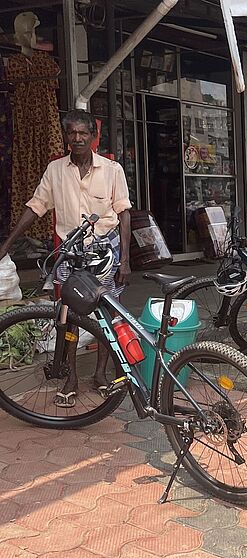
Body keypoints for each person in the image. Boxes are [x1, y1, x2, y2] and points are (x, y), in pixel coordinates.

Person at [0, 109, 132, 408]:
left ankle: (100, 373)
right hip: (71, 256)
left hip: (106, 253)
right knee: (70, 318)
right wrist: (6, 244)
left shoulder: (112, 170)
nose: (77, 138)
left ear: (93, 136)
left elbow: (124, 215)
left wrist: (125, 259)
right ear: (66, 137)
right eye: (71, 133)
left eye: (83, 133)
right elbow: (35, 207)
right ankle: (71, 377)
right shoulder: (55, 170)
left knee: (108, 316)